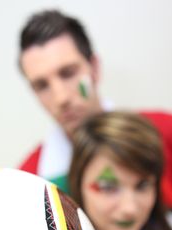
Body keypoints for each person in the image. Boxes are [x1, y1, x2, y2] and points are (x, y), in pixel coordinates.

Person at [17, 9, 172, 208]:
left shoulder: (163, 132)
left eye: (68, 73)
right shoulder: (28, 181)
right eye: (42, 85)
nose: (61, 98)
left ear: (95, 69)